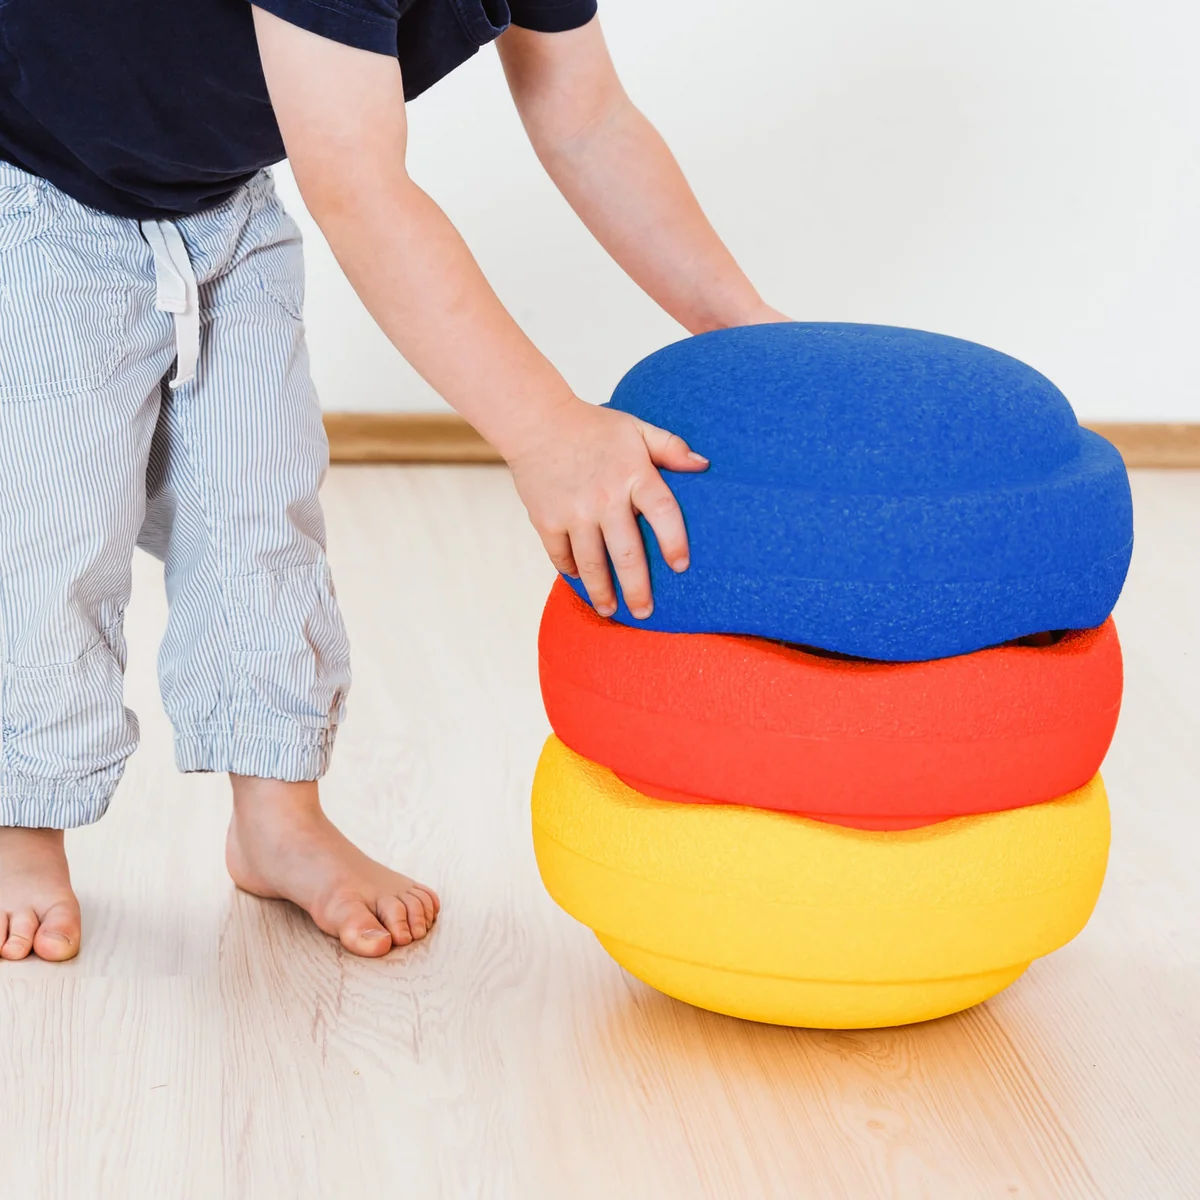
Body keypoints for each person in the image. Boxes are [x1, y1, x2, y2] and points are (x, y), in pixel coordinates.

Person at [0, 0, 788, 962]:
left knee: (259, 510)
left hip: (217, 202)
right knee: (51, 531)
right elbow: (360, 191)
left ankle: (277, 822)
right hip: (32, 185)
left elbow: (586, 118)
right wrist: (545, 430)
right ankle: (16, 825)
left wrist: (746, 330)